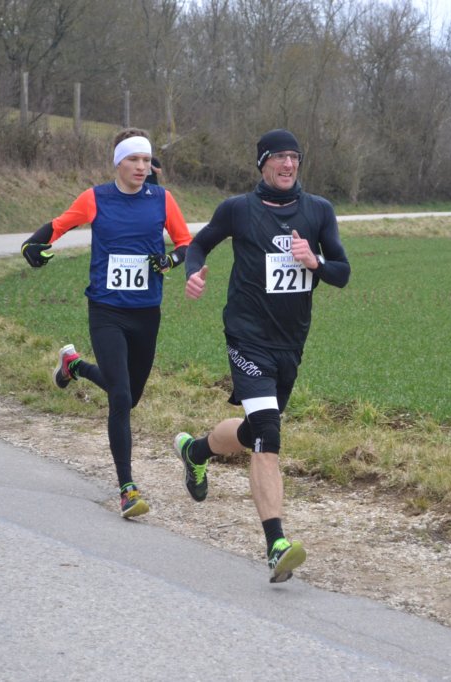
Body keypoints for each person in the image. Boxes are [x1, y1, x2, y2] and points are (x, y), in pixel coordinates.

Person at [173, 129, 351, 583]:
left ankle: (196, 450)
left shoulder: (319, 211)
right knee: (269, 434)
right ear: (262, 164)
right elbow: (198, 245)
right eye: (279, 157)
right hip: (246, 337)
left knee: (254, 430)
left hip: (290, 343)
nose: (289, 165)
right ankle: (276, 544)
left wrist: (315, 263)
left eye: (295, 157)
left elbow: (343, 273)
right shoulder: (237, 209)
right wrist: (194, 272)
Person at [19, 128, 192, 519]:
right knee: (120, 398)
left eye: (146, 160)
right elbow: (58, 225)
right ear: (118, 162)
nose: (142, 167)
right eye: (134, 159)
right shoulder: (95, 198)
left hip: (146, 312)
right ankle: (127, 489)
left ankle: (74, 366)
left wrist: (170, 261)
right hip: (106, 310)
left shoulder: (162, 200)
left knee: (131, 396)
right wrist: (32, 244)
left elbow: (185, 243)